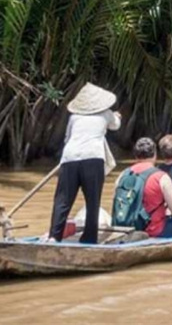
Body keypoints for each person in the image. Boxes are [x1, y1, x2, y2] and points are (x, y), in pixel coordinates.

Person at [48, 82, 121, 244]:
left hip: (70, 157)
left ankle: (54, 236)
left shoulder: (74, 117)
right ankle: (89, 238)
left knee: (62, 200)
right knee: (92, 200)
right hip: (93, 158)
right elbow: (115, 126)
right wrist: (117, 116)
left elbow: (68, 138)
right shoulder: (106, 113)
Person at [114, 138, 172, 238]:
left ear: (135, 156)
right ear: (155, 155)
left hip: (125, 228)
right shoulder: (160, 176)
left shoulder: (123, 175)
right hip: (153, 230)